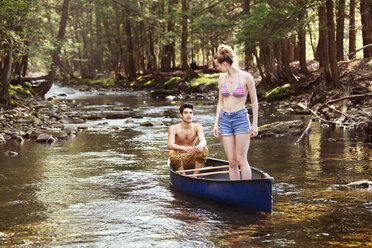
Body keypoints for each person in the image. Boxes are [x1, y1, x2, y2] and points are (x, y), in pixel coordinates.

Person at [213, 44, 258, 180]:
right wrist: (216, 123)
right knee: (232, 162)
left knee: (241, 160)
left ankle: (247, 191)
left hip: (240, 118)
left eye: (218, 65)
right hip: (225, 119)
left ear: (225, 63)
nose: (217, 68)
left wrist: (255, 124)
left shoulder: (246, 77)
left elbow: (254, 102)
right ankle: (236, 191)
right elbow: (220, 102)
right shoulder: (222, 78)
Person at [168, 103, 208, 175]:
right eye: (186, 113)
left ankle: (195, 175)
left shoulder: (198, 126)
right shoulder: (173, 128)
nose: (189, 115)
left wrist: (200, 146)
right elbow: (170, 145)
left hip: (193, 158)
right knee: (172, 152)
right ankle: (183, 175)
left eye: (191, 113)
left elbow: (203, 140)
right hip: (180, 160)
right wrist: (184, 148)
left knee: (204, 148)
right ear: (181, 115)